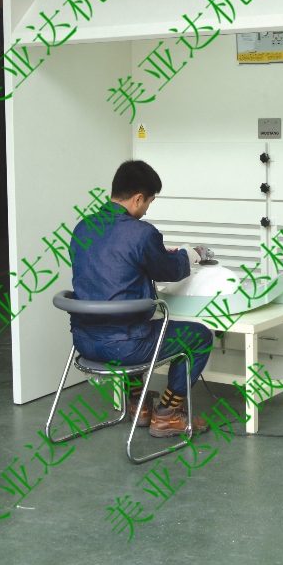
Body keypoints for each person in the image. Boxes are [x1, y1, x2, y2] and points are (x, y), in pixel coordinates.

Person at [69, 159, 212, 437]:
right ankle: (168, 414)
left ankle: (139, 405)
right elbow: (168, 271)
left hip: (84, 342)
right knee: (200, 337)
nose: (147, 210)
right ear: (137, 198)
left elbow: (105, 270)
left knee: (130, 325)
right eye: (149, 202)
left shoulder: (82, 229)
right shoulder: (142, 233)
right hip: (125, 348)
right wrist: (187, 255)